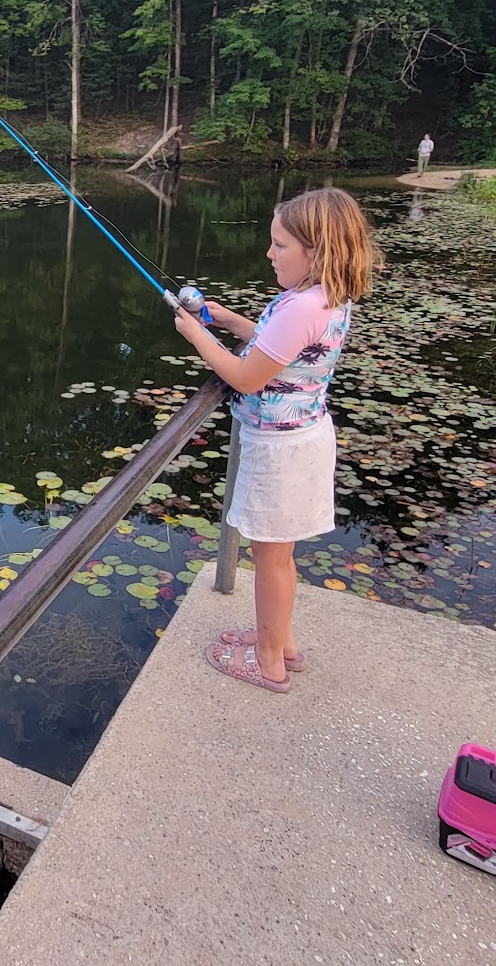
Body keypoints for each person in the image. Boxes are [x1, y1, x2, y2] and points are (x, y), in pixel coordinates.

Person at [172, 187, 380, 692]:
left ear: (317, 250)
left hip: (279, 452)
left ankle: (267, 662)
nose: (269, 253)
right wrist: (225, 319)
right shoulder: (323, 296)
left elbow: (247, 377)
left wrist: (198, 335)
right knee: (279, 556)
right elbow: (278, 346)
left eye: (280, 245)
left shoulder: (302, 307)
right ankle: (281, 642)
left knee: (269, 558)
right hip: (304, 436)